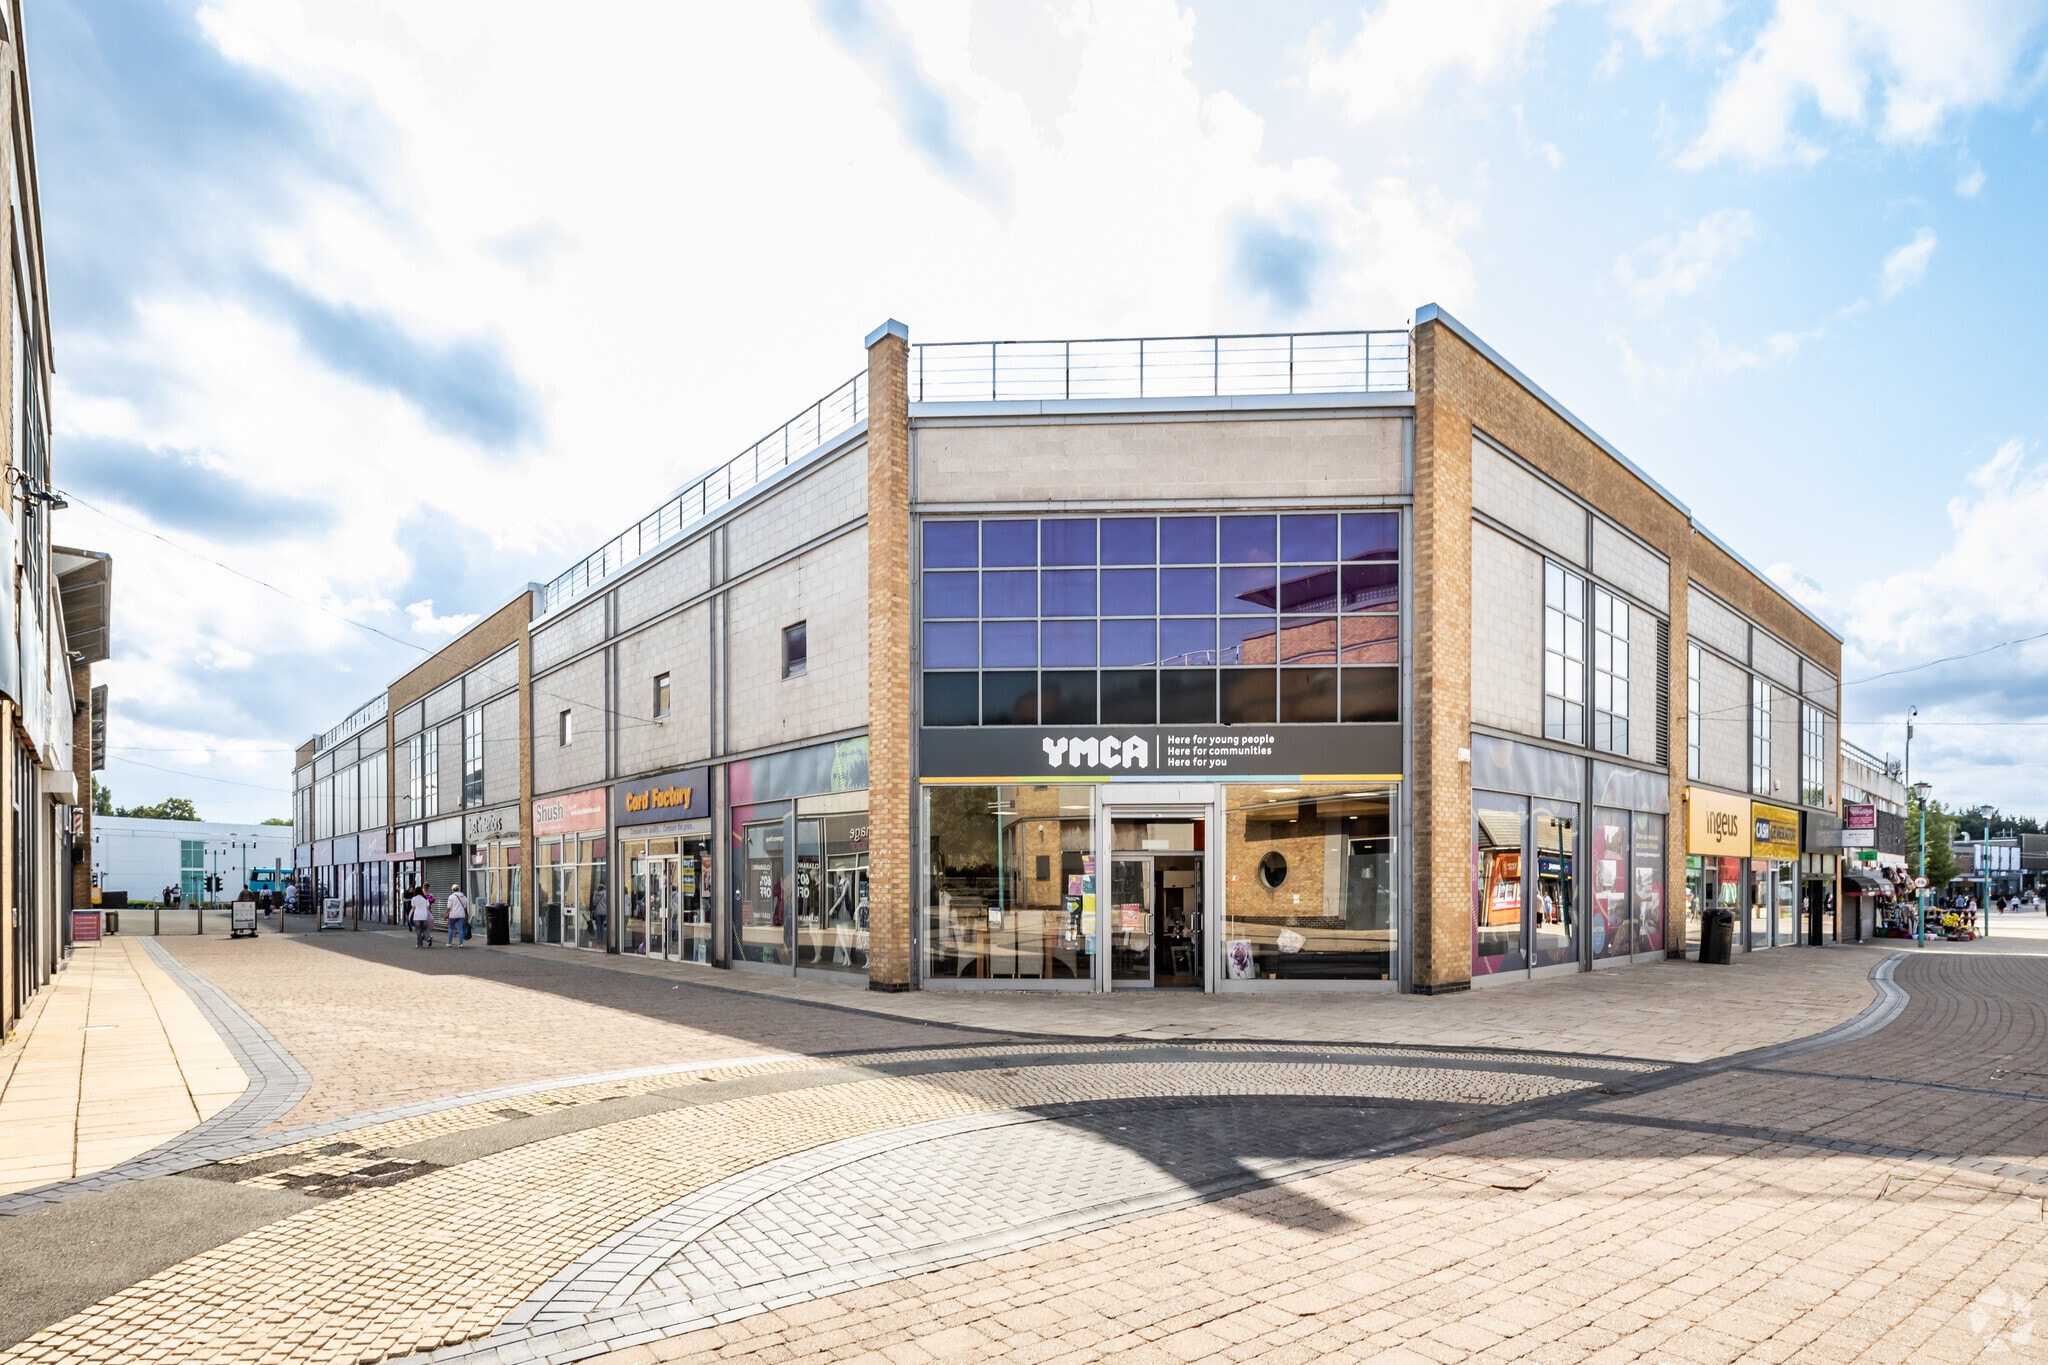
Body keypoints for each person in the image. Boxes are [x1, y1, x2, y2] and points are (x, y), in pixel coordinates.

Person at [446, 883, 470, 947]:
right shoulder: (464, 897)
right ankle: (461, 944)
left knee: (451, 928)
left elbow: (449, 907)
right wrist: (467, 915)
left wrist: (445, 914)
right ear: (458, 889)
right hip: (461, 915)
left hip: (453, 915)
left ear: (452, 890)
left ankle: (449, 943)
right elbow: (465, 908)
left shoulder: (451, 897)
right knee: (460, 929)